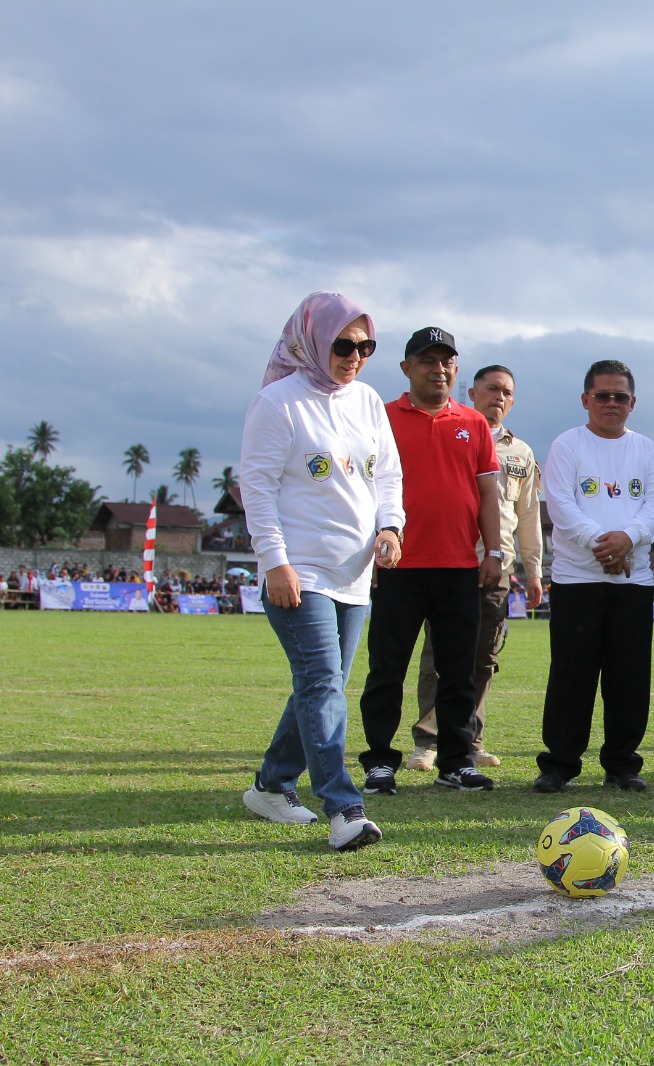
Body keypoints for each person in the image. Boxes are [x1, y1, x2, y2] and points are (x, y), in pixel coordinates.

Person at [239, 291, 401, 851]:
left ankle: (271, 784)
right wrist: (274, 562)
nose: (355, 356)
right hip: (298, 572)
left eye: (365, 345)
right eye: (342, 344)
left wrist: (390, 527)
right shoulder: (279, 402)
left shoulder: (369, 401)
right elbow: (256, 487)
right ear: (311, 339)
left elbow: (388, 477)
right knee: (322, 684)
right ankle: (344, 808)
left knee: (321, 685)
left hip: (354, 574)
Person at [355, 328, 502, 796]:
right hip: (397, 566)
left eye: (446, 362)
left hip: (459, 565)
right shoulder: (381, 417)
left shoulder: (473, 422)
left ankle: (455, 762)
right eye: (427, 361)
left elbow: (487, 493)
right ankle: (380, 761)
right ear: (406, 368)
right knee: (387, 670)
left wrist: (495, 550)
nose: (438, 370)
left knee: (457, 672)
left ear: (455, 369)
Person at [534, 360, 654, 793]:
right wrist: (604, 544)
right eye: (603, 395)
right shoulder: (568, 444)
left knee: (629, 677)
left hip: (632, 580)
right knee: (572, 675)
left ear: (633, 403)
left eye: (620, 396)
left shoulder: (646, 449)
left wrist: (627, 539)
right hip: (578, 580)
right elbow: (560, 505)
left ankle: (622, 764)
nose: (612, 403)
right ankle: (559, 764)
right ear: (586, 399)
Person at [405, 363, 544, 773]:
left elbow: (529, 514)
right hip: (449, 559)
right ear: (472, 392)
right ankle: (428, 741)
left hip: (496, 565)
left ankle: (470, 737)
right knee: (439, 655)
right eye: (491, 389)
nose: (498, 397)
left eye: (506, 392)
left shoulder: (520, 453)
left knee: (483, 657)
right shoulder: (449, 430)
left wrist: (533, 570)